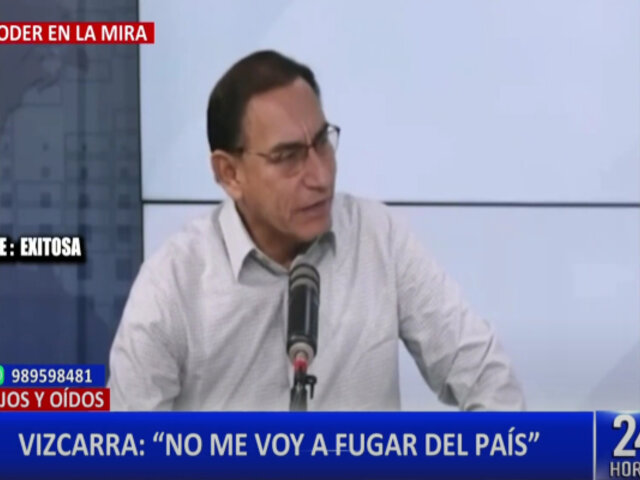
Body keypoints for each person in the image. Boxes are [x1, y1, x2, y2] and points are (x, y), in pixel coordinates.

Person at [108, 50, 525, 411]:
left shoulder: (377, 238)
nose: (321, 176)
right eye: (287, 156)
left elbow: (487, 380)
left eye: (322, 142)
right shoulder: (173, 286)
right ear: (229, 173)